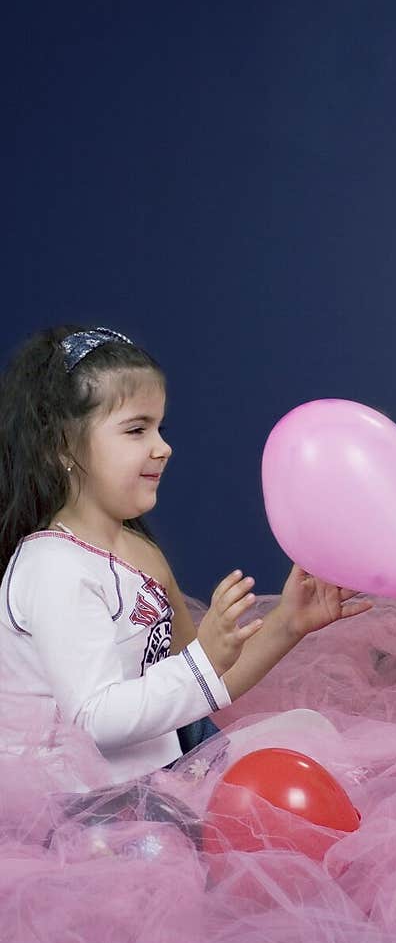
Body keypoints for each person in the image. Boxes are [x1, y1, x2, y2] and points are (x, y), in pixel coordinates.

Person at [0, 324, 371, 784]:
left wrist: (288, 624)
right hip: (83, 800)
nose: (163, 447)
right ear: (61, 446)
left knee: (310, 748)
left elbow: (197, 688)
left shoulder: (140, 553)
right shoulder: (54, 566)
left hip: (159, 769)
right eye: (136, 430)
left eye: (159, 427)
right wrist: (203, 662)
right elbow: (95, 719)